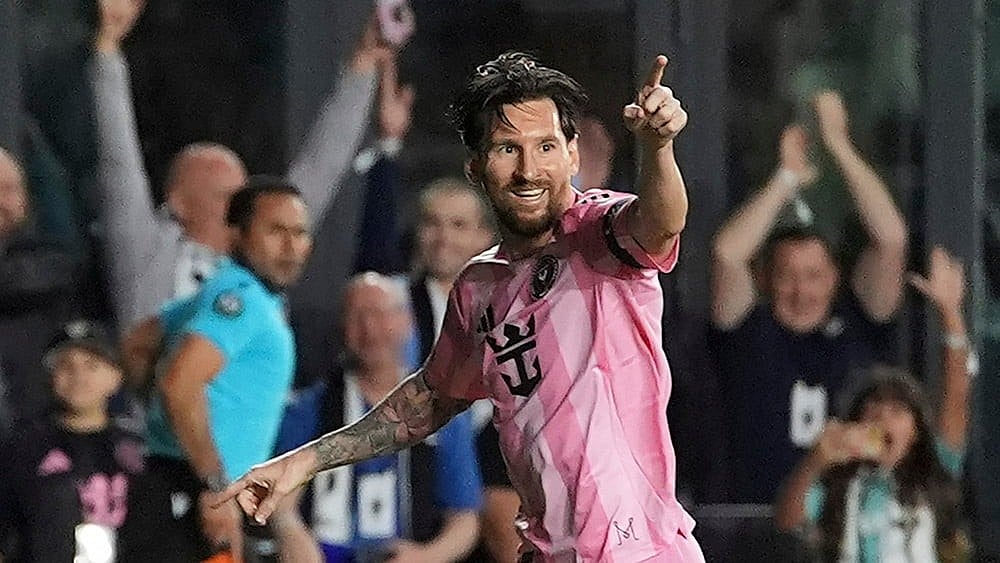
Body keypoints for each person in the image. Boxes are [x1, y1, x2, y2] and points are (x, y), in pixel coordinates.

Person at [219, 51, 704, 562]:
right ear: (475, 165)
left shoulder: (599, 235)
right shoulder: (479, 288)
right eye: (506, 149)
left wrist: (658, 148)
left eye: (545, 146)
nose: (528, 169)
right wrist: (303, 463)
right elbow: (429, 400)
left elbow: (661, 221)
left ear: (573, 155)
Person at [91, 0, 389, 332]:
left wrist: (363, 66)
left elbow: (324, 164)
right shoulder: (146, 257)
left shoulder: (263, 249)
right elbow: (117, 160)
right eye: (226, 195)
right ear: (178, 203)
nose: (245, 205)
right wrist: (107, 49)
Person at [710, 91, 908, 503]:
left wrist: (838, 145)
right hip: (754, 528)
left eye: (814, 275)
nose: (801, 290)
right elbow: (728, 254)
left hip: (849, 529)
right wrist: (784, 180)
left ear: (835, 278)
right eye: (787, 276)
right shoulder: (747, 330)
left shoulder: (859, 325)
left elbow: (890, 239)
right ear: (764, 280)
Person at [121, 178, 319, 562]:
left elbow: (138, 344)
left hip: (182, 487)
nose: (292, 247)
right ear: (237, 235)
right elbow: (180, 384)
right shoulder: (238, 301)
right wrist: (213, 484)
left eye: (300, 233)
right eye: (276, 231)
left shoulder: (226, 293)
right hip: (201, 494)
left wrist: (163, 418)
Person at [773, 246, 972, 562]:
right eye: (874, 408)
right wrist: (816, 461)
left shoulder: (934, 472)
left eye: (897, 411)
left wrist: (951, 314)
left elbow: (956, 398)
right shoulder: (840, 483)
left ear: (917, 431)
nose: (882, 417)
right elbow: (787, 521)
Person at [277, 273, 482, 562]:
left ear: (406, 322)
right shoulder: (312, 408)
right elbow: (283, 497)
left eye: (379, 314)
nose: (369, 329)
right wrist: (291, 531)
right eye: (357, 316)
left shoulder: (441, 412)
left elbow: (465, 520)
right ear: (342, 327)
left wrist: (424, 557)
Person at [0, 320, 144, 563]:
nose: (79, 376)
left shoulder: (141, 449)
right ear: (50, 377)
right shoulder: (24, 449)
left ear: (116, 376)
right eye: (66, 366)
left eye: (92, 365)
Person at [0, 147, 83, 423]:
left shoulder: (49, 257)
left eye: (9, 189)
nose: (1, 200)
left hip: (38, 429)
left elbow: (18, 282)